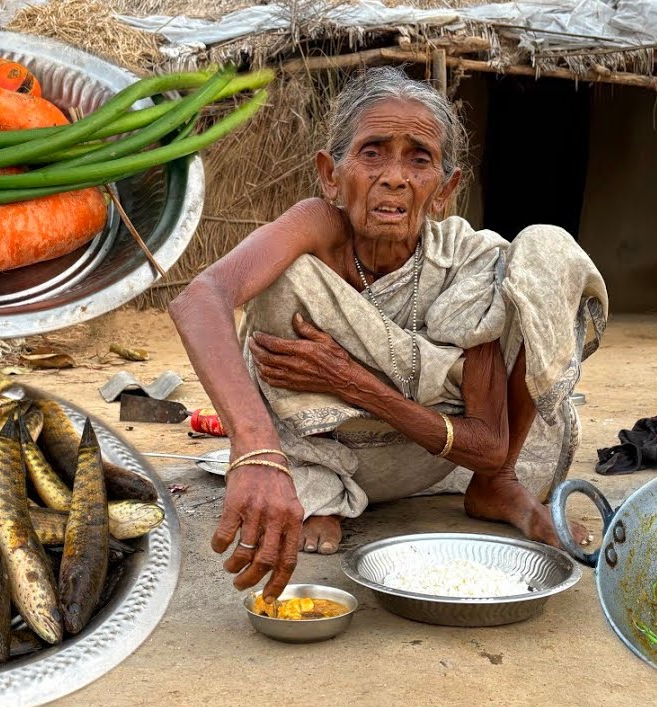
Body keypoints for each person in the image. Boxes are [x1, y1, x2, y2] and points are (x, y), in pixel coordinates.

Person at [168, 66, 608, 601]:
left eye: (418, 159)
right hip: (310, 456)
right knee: (288, 277)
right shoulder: (314, 227)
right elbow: (201, 297)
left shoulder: (471, 266)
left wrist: (353, 380)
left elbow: (489, 445)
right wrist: (255, 450)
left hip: (432, 460)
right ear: (332, 175)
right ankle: (318, 492)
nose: (395, 176)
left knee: (545, 248)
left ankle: (497, 490)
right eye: (373, 152)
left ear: (445, 189)